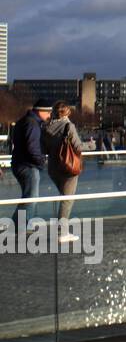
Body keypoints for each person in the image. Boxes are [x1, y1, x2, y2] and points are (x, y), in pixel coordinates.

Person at [41, 101, 84, 242]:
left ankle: (61, 230)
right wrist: (92, 144)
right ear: (66, 113)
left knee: (63, 198)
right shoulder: (68, 126)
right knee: (67, 200)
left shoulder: (46, 127)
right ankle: (62, 233)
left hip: (53, 168)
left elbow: (44, 149)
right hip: (68, 168)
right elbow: (78, 147)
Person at [7, 99, 52, 229]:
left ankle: (17, 225)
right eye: (48, 112)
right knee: (31, 198)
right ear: (40, 111)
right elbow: (32, 148)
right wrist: (42, 161)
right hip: (28, 166)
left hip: (20, 163)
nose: (49, 116)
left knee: (28, 196)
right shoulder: (32, 124)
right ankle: (19, 226)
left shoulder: (24, 121)